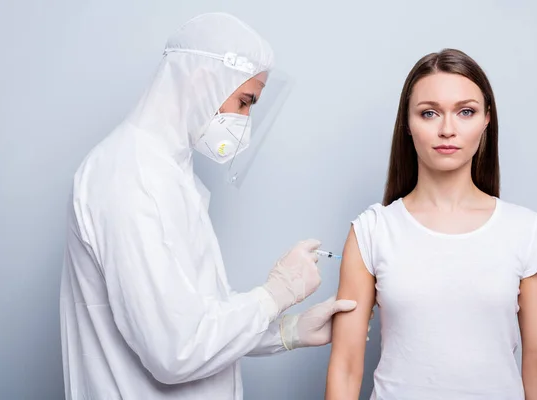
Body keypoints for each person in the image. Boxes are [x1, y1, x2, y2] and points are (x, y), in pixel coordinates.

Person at [60, 12, 358, 400]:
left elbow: (192, 317)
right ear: (202, 80)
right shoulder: (127, 177)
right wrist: (273, 294)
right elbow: (175, 351)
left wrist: (285, 332)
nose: (244, 122)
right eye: (244, 101)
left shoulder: (169, 174)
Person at [326, 48, 537, 400]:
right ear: (407, 124)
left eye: (465, 111)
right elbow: (345, 367)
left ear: (486, 119)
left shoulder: (527, 231)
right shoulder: (372, 230)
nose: (447, 129)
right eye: (429, 113)